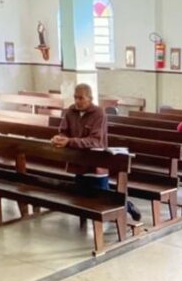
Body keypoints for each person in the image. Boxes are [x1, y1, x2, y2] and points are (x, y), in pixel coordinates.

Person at [51, 83, 141, 221]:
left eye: (81, 98)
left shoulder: (98, 113)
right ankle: (85, 221)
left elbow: (95, 140)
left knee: (105, 198)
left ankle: (126, 207)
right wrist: (60, 138)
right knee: (82, 196)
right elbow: (64, 132)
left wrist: (70, 142)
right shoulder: (70, 112)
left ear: (90, 98)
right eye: (75, 98)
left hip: (96, 163)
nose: (77, 101)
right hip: (78, 162)